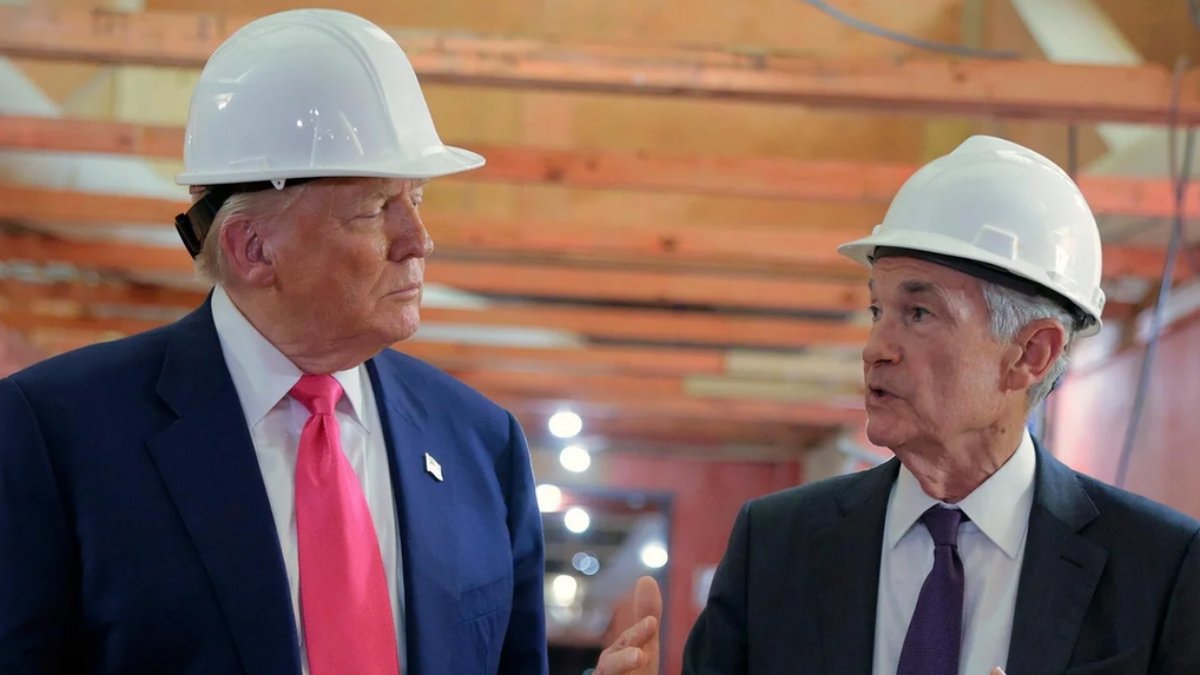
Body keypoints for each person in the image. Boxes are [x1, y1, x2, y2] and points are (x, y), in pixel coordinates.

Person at [0, 10, 547, 675]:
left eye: (417, 199)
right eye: (376, 207)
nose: (418, 240)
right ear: (253, 248)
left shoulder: (481, 444)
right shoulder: (57, 434)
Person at [597, 135, 1200, 674]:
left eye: (919, 312)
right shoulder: (776, 545)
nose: (875, 348)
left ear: (1031, 354)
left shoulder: (1160, 567)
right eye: (877, 310)